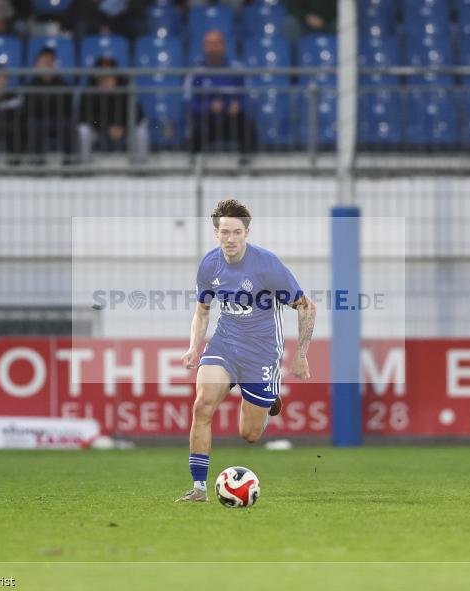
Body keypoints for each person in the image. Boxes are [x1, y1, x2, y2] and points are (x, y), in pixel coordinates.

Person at [176, 199, 316, 502]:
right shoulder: (209, 265)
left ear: (247, 232)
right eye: (224, 232)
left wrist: (301, 354)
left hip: (262, 352)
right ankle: (199, 488)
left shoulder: (266, 265)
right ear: (216, 233)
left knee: (249, 435)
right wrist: (193, 347)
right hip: (225, 344)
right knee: (202, 405)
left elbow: (306, 307)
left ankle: (268, 401)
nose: (230, 238)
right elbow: (202, 311)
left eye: (236, 232)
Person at [185, 30, 257, 161]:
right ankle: (194, 163)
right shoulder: (196, 72)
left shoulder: (237, 69)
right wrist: (207, 107)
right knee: (196, 126)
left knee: (248, 124)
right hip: (207, 119)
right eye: (209, 44)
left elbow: (249, 94)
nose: (213, 47)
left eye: (216, 43)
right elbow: (189, 99)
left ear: (223, 45)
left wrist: (238, 105)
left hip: (231, 118)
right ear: (204, 47)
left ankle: (247, 162)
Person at [78, 56, 148, 160]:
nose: (105, 77)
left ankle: (140, 166)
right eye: (101, 74)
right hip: (98, 129)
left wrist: (124, 128)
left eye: (109, 73)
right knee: (83, 130)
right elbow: (86, 117)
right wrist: (106, 128)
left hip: (123, 129)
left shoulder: (125, 88)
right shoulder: (89, 91)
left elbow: (138, 114)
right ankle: (84, 165)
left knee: (141, 130)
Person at [24, 46, 75, 163]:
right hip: (39, 120)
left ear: (54, 64)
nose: (46, 65)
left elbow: (67, 108)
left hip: (59, 120)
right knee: (33, 125)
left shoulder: (63, 84)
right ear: (37, 65)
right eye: (43, 62)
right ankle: (37, 163)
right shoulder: (31, 85)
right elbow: (30, 109)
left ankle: (70, 164)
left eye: (49, 62)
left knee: (68, 125)